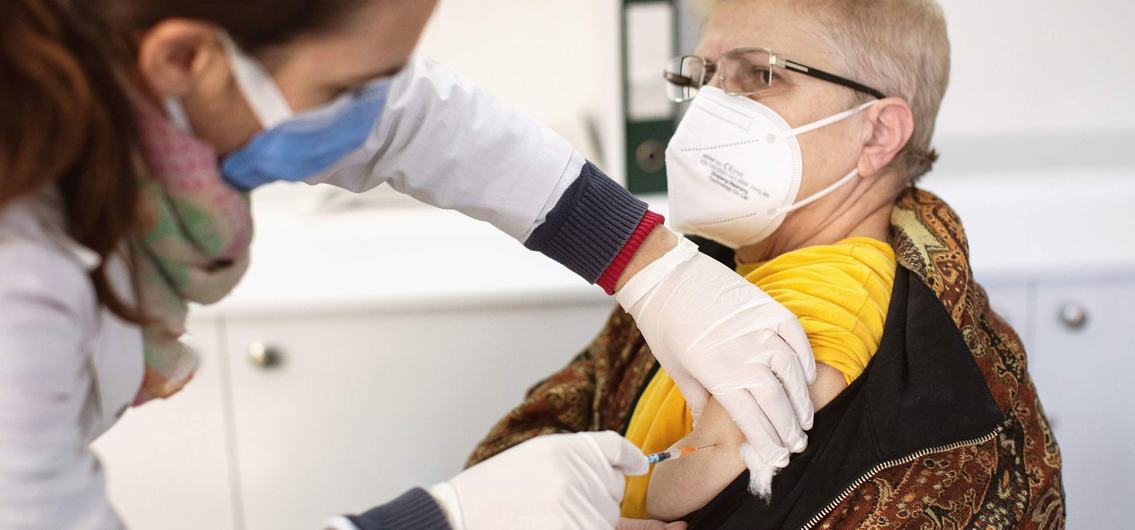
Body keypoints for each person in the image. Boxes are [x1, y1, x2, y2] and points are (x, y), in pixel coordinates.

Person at [0, 1, 821, 529]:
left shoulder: (120, 88)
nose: (377, 106)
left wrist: (650, 263)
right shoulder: (20, 286)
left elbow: (412, 116)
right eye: (350, 82)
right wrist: (440, 522)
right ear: (183, 61)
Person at [469, 0, 1066, 527]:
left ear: (878, 133)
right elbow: (533, 441)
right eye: (704, 77)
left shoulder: (871, 320)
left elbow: (705, 469)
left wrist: (584, 506)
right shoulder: (700, 270)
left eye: (760, 75)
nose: (710, 109)